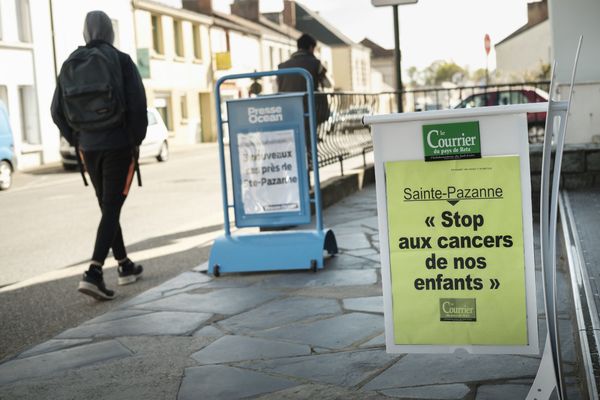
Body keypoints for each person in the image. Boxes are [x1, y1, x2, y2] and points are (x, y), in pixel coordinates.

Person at [51, 11, 148, 301]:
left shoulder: (71, 63)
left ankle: (124, 266)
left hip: (88, 147)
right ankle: (93, 271)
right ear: (110, 33)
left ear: (86, 33)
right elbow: (138, 107)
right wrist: (135, 141)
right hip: (118, 144)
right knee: (112, 206)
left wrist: (78, 138)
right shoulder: (121, 61)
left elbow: (57, 111)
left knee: (108, 206)